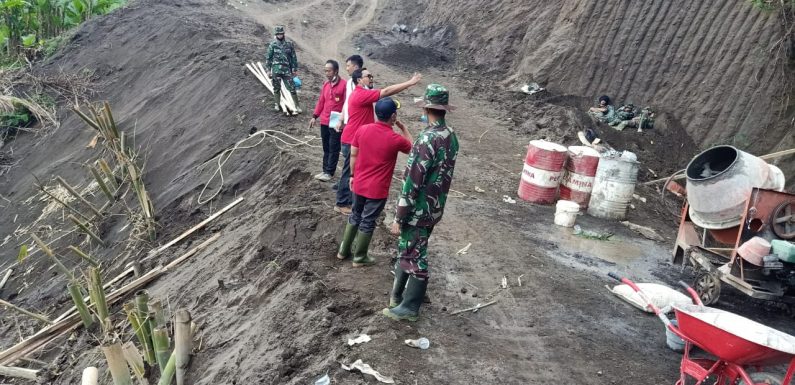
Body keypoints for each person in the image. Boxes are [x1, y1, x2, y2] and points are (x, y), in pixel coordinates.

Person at [383, 84, 459, 322]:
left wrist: (399, 216)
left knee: (415, 255)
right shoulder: (450, 136)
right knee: (412, 250)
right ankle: (404, 297)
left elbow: (413, 182)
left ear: (427, 108)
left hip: (417, 210)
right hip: (434, 207)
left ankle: (410, 307)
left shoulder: (426, 140)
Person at [336, 97, 413, 266]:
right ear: (393, 116)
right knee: (368, 221)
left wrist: (352, 176)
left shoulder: (362, 130)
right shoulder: (395, 139)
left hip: (359, 184)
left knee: (355, 215)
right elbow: (413, 149)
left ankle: (343, 251)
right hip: (377, 189)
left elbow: (354, 155)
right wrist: (404, 129)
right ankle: (360, 256)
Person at [334, 68, 422, 215]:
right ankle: (342, 202)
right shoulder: (361, 94)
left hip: (356, 138)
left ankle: (352, 201)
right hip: (353, 139)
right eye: (368, 76)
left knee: (355, 170)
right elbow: (386, 92)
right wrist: (410, 82)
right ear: (359, 80)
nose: (371, 78)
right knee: (349, 171)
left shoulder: (359, 93)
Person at [309, 60, 346, 182]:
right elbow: (321, 102)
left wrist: (343, 120)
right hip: (325, 120)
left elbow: (347, 104)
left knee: (334, 146)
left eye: (329, 70)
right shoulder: (326, 85)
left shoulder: (344, 85)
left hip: (336, 120)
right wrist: (315, 116)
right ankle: (325, 170)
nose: (327, 73)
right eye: (325, 70)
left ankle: (330, 172)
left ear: (336, 71)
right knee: (326, 146)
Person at [265, 25, 301, 114]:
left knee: (292, 87)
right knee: (276, 87)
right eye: (278, 34)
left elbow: (293, 57)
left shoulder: (289, 44)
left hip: (286, 70)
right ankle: (277, 104)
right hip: (276, 70)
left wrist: (294, 68)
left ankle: (297, 106)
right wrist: (268, 70)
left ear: (283, 34)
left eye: (281, 34)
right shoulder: (272, 45)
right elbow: (269, 58)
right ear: (276, 35)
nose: (280, 35)